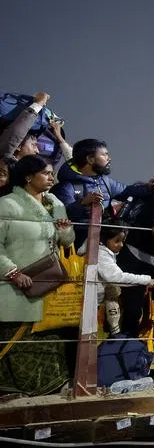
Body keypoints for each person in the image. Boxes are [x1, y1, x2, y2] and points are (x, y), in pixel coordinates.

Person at [0, 155, 75, 395]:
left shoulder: (54, 203)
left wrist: (65, 231)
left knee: (50, 338)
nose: (51, 177)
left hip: (49, 285)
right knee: (16, 341)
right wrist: (12, 272)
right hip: (14, 286)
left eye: (52, 172)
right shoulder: (7, 204)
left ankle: (49, 392)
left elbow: (68, 241)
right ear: (28, 176)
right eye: (45, 173)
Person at [96, 227, 154, 336]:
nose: (121, 245)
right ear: (105, 239)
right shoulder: (101, 255)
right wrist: (146, 280)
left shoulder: (106, 253)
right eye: (117, 241)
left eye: (122, 241)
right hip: (94, 306)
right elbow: (117, 278)